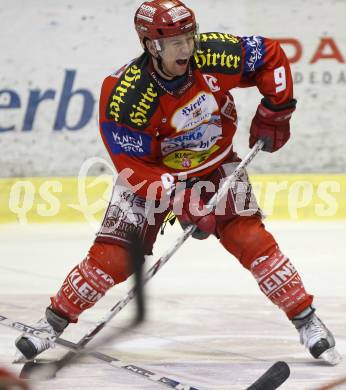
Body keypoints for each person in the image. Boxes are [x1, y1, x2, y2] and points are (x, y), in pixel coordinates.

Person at [15, 0, 340, 365]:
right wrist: (179, 196)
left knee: (251, 238)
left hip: (215, 165)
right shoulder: (127, 94)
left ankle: (308, 322)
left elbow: (269, 55)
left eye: (190, 37)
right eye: (175, 43)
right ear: (151, 46)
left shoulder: (214, 53)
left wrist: (277, 110)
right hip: (151, 173)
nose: (187, 48)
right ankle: (50, 324)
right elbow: (132, 166)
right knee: (113, 259)